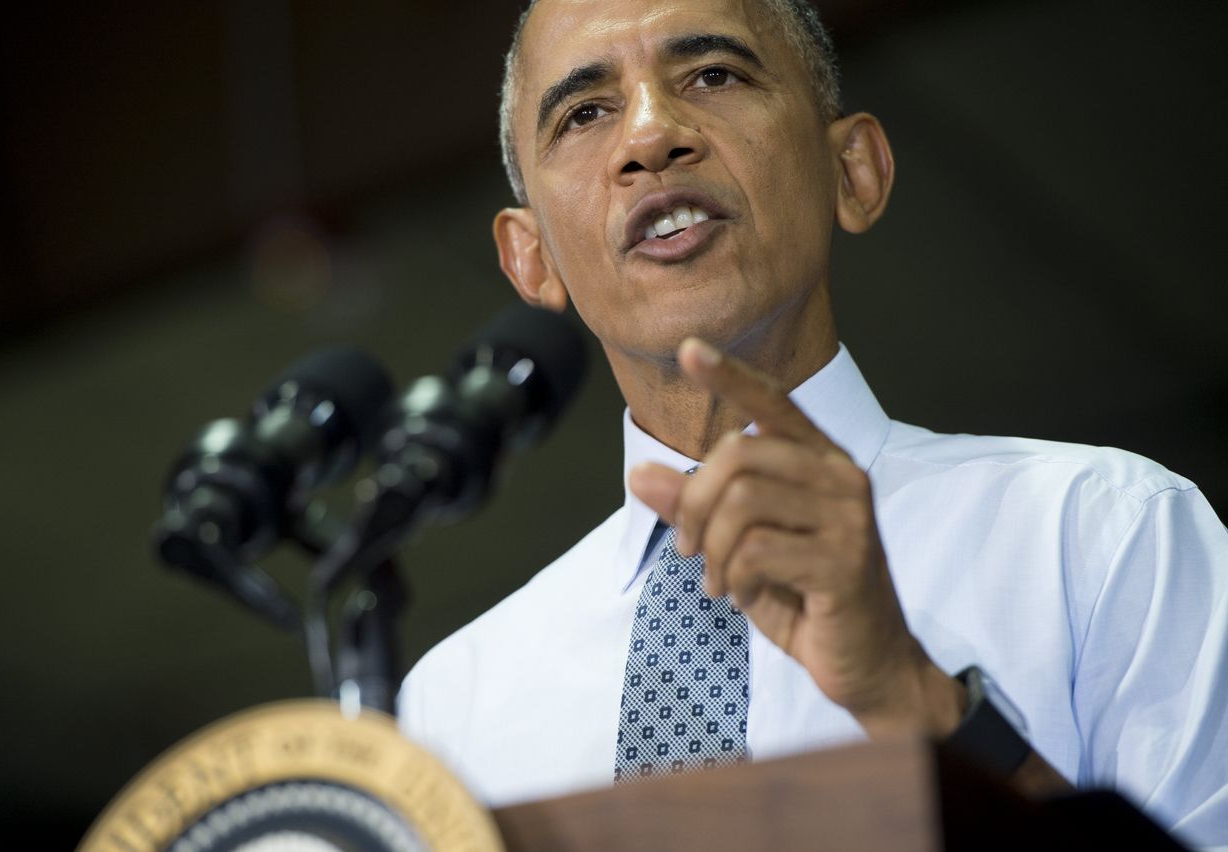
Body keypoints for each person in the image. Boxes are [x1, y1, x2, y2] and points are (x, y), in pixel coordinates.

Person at [397, 0, 1228, 847]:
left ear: (853, 171)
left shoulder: (1105, 534)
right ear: (530, 258)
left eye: (713, 75)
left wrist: (919, 698)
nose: (651, 137)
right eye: (585, 112)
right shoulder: (454, 705)